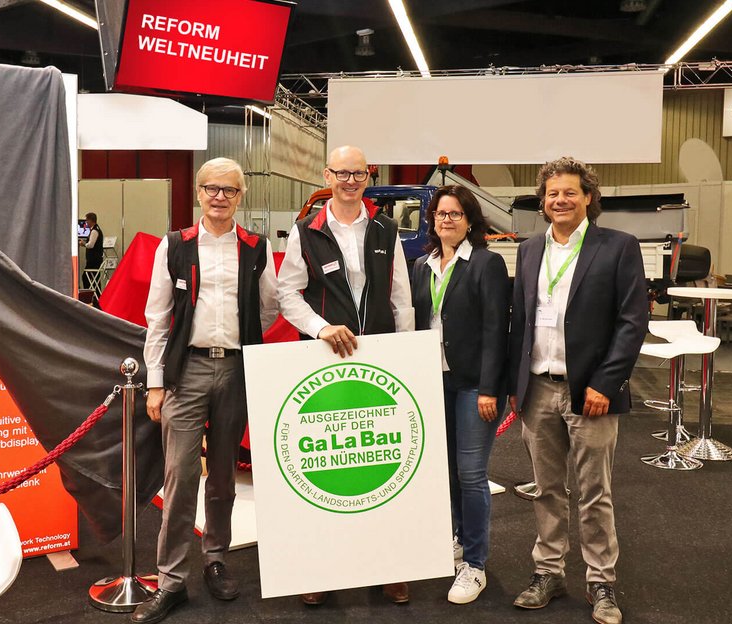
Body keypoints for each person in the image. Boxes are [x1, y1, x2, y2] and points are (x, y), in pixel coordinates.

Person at [133, 157, 279, 624]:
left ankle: (216, 558)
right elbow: (157, 318)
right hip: (187, 372)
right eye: (211, 188)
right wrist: (156, 384)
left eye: (229, 190)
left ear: (240, 196)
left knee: (222, 477)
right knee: (179, 477)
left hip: (235, 371)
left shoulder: (255, 247)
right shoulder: (175, 245)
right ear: (198, 193)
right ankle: (171, 580)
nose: (220, 197)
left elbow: (269, 306)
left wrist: (240, 338)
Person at [507, 157, 647, 624]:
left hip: (591, 393)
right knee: (546, 489)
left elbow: (632, 322)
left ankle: (601, 581)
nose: (560, 200)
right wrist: (515, 384)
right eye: (552, 194)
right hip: (538, 389)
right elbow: (520, 321)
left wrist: (606, 383)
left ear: (588, 197)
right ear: (542, 202)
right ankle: (548, 572)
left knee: (594, 492)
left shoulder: (618, 247)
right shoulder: (529, 250)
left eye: (570, 192)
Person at [276, 144, 414, 606]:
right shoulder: (306, 230)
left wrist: (405, 355)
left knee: (380, 464)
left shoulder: (385, 228)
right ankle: (321, 569)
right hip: (324, 362)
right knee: (328, 467)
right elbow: (288, 294)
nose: (350, 181)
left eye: (359, 174)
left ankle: (389, 567)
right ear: (327, 175)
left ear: (367, 177)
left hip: (380, 361)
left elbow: (400, 296)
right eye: (342, 173)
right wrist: (320, 328)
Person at [410, 185, 508, 605]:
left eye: (455, 214)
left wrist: (489, 389)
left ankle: (475, 564)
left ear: (470, 221)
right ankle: (457, 538)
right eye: (440, 214)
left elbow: (496, 330)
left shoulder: (486, 263)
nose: (446, 220)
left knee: (471, 474)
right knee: (446, 472)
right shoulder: (422, 265)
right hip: (432, 381)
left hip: (472, 385)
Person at [82, 212, 104, 291]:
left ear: (91, 220)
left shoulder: (94, 231)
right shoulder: (96, 229)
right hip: (96, 259)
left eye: (87, 220)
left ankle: (87, 294)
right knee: (96, 279)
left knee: (85, 277)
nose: (86, 222)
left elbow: (91, 245)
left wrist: (84, 244)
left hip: (93, 260)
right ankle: (96, 295)